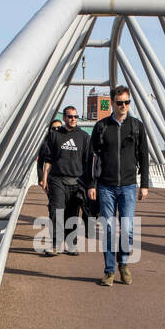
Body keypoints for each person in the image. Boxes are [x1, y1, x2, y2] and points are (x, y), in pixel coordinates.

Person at [86, 85, 150, 286]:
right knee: (108, 229)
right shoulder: (101, 127)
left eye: (127, 102)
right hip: (106, 185)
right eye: (120, 102)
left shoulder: (137, 126)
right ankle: (109, 271)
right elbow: (92, 157)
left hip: (129, 185)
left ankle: (123, 263)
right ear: (112, 103)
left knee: (128, 229)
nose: (123, 106)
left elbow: (144, 156)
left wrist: (145, 184)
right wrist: (91, 184)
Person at [37, 107, 90, 255]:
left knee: (72, 214)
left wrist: (89, 184)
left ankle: (71, 245)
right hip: (57, 179)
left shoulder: (84, 137)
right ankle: (55, 245)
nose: (73, 119)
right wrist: (44, 179)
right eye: (70, 116)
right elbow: (48, 160)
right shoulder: (55, 135)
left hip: (76, 181)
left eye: (75, 116)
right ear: (65, 118)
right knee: (56, 211)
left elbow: (87, 161)